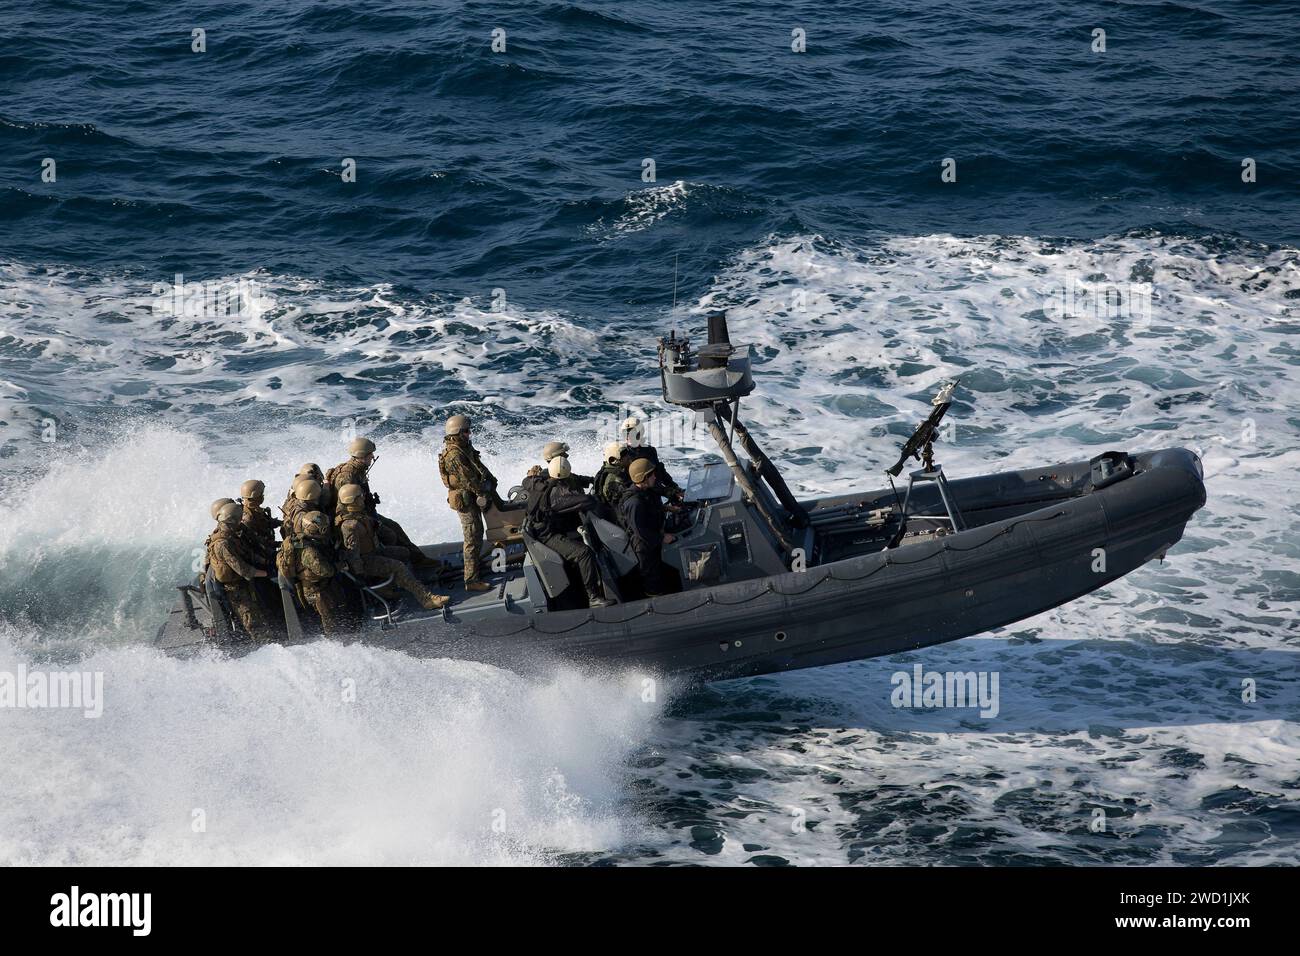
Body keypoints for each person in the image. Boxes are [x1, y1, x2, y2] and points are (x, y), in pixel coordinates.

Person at [335, 483, 449, 610]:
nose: (363, 498)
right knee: (398, 567)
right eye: (360, 496)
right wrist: (359, 574)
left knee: (404, 552)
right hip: (365, 561)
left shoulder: (360, 516)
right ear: (352, 501)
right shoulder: (350, 526)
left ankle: (387, 587)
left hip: (374, 552)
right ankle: (426, 599)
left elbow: (388, 537)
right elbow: (353, 554)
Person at [326, 437, 434, 567]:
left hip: (363, 513)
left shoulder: (357, 470)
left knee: (394, 527)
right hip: (355, 517)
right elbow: (344, 506)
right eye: (370, 454)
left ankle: (418, 559)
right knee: (390, 535)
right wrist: (367, 521)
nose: (372, 456)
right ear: (362, 455)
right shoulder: (347, 476)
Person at [525, 457, 610, 608]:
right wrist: (596, 499)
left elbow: (527, 480)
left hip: (540, 530)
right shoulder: (557, 494)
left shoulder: (535, 482)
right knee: (584, 553)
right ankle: (593, 596)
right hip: (548, 535)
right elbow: (585, 501)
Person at [437, 414, 502, 592]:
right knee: (472, 536)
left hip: (471, 495)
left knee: (477, 533)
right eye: (466, 431)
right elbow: (468, 480)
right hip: (466, 500)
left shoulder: (464, 447)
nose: (469, 434)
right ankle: (471, 580)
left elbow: (477, 465)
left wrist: (491, 481)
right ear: (457, 432)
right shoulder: (454, 454)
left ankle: (474, 568)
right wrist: (483, 492)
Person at [207, 501, 275, 640]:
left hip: (242, 584)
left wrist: (266, 562)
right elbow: (244, 570)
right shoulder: (223, 544)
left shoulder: (231, 535)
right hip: (235, 590)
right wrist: (268, 574)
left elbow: (247, 553)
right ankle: (264, 648)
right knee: (255, 625)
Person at [618, 458, 682, 597]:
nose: (654, 476)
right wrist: (662, 537)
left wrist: (668, 508)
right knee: (653, 581)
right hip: (645, 547)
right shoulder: (634, 503)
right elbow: (641, 531)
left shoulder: (646, 491)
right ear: (643, 478)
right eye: (651, 474)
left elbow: (651, 507)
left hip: (653, 536)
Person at [280, 511, 349, 634]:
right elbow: (325, 570)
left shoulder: (305, 540)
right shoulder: (309, 551)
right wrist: (341, 565)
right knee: (329, 619)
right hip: (315, 590)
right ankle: (333, 641)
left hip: (321, 584)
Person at [619, 416, 684, 501]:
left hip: (654, 494)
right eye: (625, 433)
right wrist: (668, 493)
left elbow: (659, 472)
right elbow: (636, 482)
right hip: (636, 498)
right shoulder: (622, 454)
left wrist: (675, 488)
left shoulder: (649, 450)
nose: (629, 436)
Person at [240, 479, 281, 556]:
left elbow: (266, 522)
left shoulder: (255, 509)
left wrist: (281, 523)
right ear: (255, 497)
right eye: (261, 494)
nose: (263, 496)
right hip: (260, 554)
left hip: (266, 548)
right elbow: (258, 543)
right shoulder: (248, 519)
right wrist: (280, 545)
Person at [593, 441, 629, 508]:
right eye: (624, 454)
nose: (627, 456)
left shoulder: (609, 469)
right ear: (614, 460)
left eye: (627, 453)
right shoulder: (615, 479)